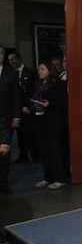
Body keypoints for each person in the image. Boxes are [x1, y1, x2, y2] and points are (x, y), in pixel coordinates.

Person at [31, 62, 68, 190]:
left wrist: (50, 104)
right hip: (40, 120)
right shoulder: (38, 84)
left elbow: (63, 102)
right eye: (38, 69)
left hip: (54, 121)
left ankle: (60, 178)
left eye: (42, 69)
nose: (39, 71)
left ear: (49, 70)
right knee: (44, 150)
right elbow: (34, 98)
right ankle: (48, 177)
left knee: (55, 150)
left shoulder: (58, 84)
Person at [8, 52, 37, 162]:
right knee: (20, 134)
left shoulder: (29, 72)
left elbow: (33, 91)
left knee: (30, 133)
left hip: (28, 108)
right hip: (17, 109)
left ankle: (35, 155)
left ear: (19, 59)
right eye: (10, 60)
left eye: (13, 59)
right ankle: (23, 155)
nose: (12, 62)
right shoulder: (10, 73)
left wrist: (27, 105)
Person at [0, 46, 21, 195]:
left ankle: (3, 183)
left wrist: (16, 116)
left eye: (0, 53)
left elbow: (16, 97)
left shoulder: (11, 73)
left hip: (5, 119)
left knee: (4, 152)